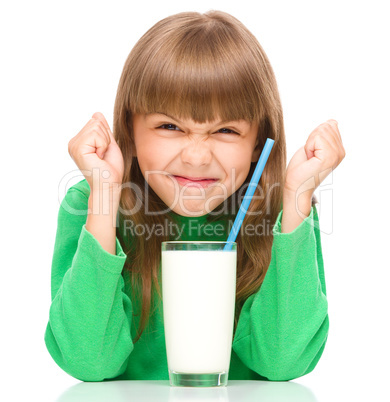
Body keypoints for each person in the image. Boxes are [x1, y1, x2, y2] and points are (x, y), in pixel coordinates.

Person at [44, 10, 346, 382]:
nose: (197, 156)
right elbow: (87, 360)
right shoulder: (91, 204)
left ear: (257, 144)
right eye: (169, 126)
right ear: (129, 129)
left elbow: (283, 361)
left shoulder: (284, 213)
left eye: (226, 130)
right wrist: (103, 198)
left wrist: (297, 196)